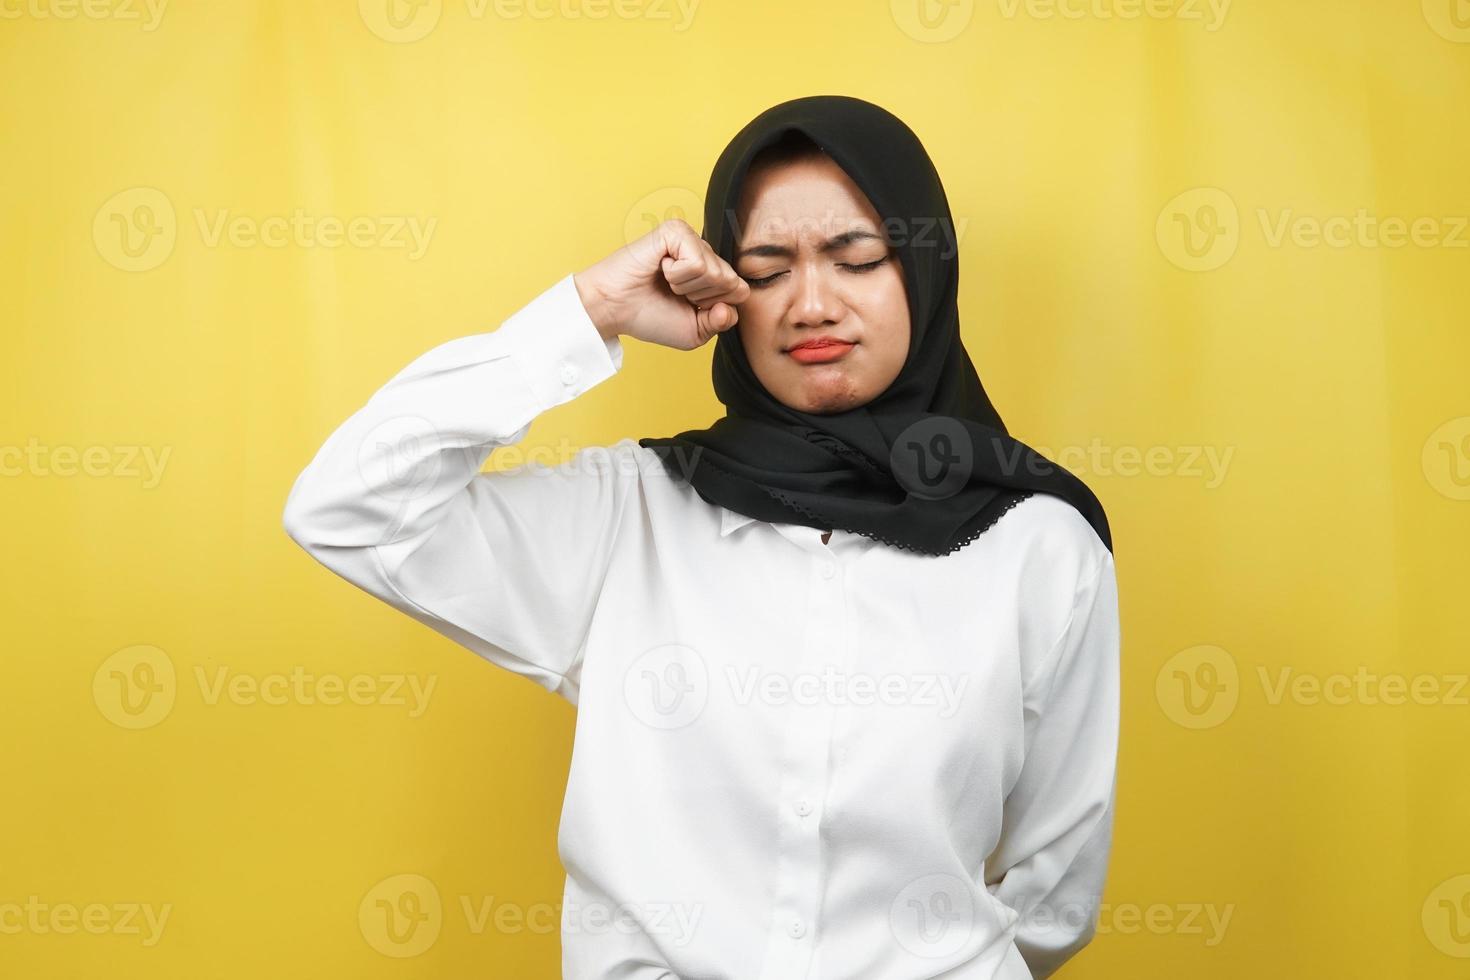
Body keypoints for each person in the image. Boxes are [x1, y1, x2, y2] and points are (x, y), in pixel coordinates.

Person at [283, 95, 1120, 980]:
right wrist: (589, 312)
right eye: (766, 268)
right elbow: (346, 507)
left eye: (858, 258)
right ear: (724, 291)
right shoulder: (626, 516)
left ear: (924, 270)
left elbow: (1054, 896)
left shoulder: (1041, 547)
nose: (811, 304)